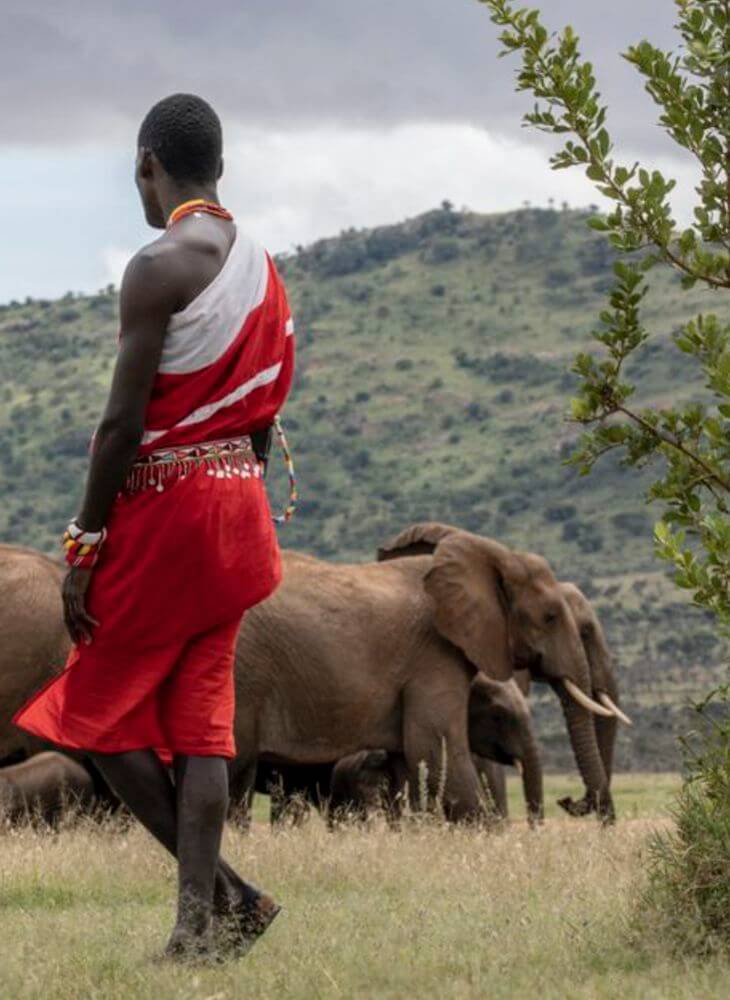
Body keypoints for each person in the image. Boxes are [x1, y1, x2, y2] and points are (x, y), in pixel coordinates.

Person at [14, 93, 294, 960]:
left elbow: (121, 427)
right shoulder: (264, 266)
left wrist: (84, 545)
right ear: (220, 167)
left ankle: (227, 897)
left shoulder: (156, 266)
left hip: (166, 514)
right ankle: (199, 927)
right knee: (203, 722)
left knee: (88, 713)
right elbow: (260, 415)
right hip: (239, 515)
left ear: (147, 164)